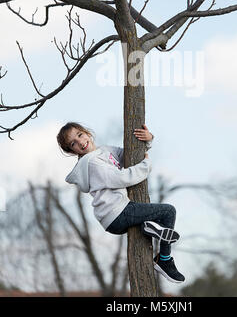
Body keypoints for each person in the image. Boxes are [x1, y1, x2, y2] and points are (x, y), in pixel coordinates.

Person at [57, 121, 185, 284]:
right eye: (73, 143)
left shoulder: (104, 151)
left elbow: (129, 155)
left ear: (87, 132)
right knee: (168, 212)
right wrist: (146, 165)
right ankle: (164, 260)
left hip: (119, 212)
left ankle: (148, 227)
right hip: (117, 212)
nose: (80, 142)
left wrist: (148, 140)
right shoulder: (92, 163)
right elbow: (121, 178)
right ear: (71, 151)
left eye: (80, 135)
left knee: (154, 217)